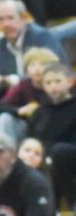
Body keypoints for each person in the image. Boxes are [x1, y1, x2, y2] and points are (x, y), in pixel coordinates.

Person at [0, 0, 67, 132]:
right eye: (1, 20)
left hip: (44, 91)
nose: (6, 24)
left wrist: (8, 80)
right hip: (17, 94)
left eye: (10, 18)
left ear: (24, 18)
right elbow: (1, 76)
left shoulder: (42, 36)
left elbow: (53, 71)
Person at [27, 63, 76, 208]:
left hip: (67, 154)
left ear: (70, 82)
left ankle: (70, 204)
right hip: (43, 155)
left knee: (59, 152)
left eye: (57, 81)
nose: (53, 86)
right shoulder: (40, 112)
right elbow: (31, 138)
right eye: (48, 83)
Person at [0, 46, 59, 142]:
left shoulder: (57, 84)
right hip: (26, 127)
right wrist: (19, 110)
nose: (37, 69)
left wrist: (37, 110)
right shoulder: (23, 85)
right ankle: (6, 149)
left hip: (51, 128)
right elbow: (1, 107)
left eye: (42, 64)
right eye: (32, 65)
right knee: (4, 118)